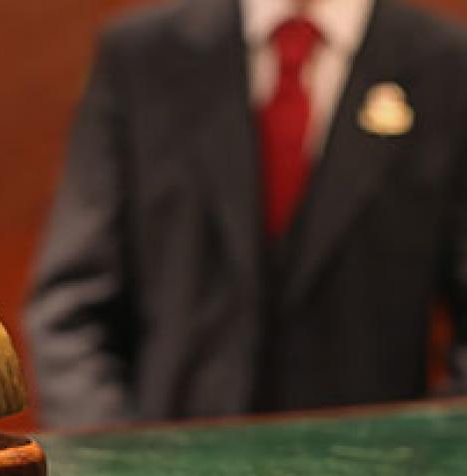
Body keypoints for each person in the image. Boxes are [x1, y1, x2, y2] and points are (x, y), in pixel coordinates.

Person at [26, 0, 467, 428]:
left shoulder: (448, 64)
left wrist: (426, 462)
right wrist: (118, 467)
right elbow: (70, 308)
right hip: (173, 475)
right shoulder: (141, 55)